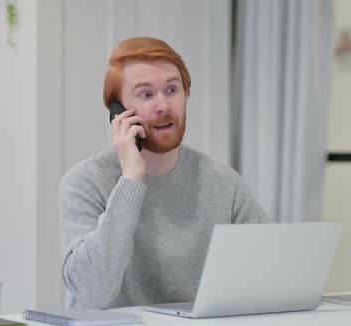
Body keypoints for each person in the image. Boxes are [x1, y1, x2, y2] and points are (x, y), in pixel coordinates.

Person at [59, 37, 269, 309]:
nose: (164, 106)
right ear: (118, 111)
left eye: (172, 90)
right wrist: (131, 180)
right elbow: (91, 292)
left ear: (187, 94)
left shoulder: (222, 182)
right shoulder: (85, 182)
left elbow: (269, 269)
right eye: (146, 95)